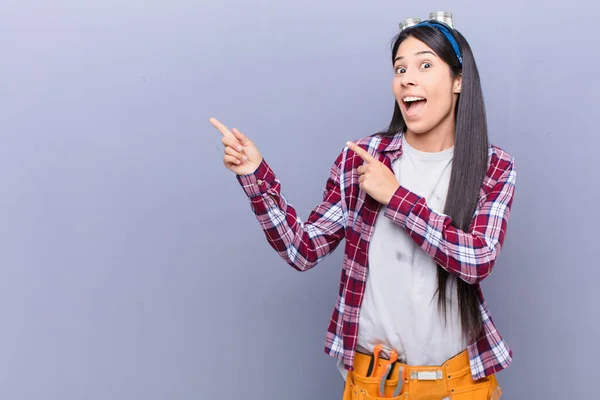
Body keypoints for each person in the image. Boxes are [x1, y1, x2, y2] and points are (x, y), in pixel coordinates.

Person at [210, 11, 514, 400]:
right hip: (375, 385)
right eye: (400, 68)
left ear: (458, 81)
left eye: (424, 64)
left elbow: (478, 260)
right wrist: (256, 177)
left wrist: (396, 197)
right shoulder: (363, 159)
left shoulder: (493, 166)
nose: (407, 78)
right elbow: (304, 250)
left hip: (461, 386)